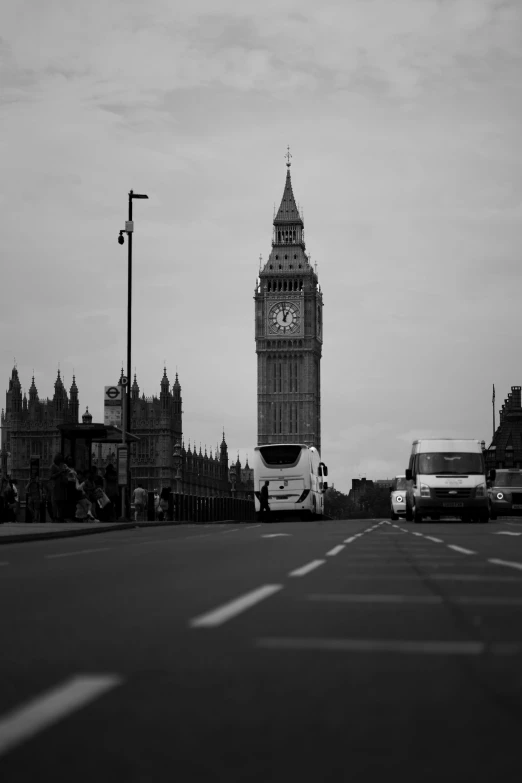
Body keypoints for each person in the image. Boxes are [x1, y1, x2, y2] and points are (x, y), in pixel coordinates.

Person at [48, 455, 69, 522]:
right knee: (55, 503)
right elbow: (51, 476)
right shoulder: (53, 467)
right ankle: (54, 517)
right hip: (55, 487)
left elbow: (65, 476)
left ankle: (60, 517)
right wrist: (60, 473)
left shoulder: (62, 466)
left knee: (61, 503)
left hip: (62, 487)